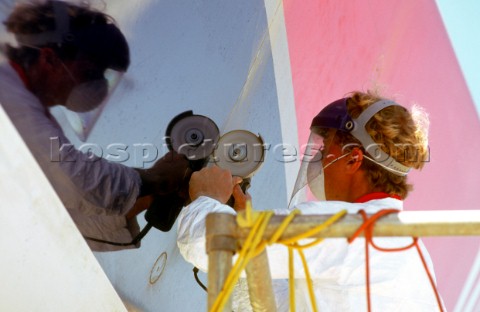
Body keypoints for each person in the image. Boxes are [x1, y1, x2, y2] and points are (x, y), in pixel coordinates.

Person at [177, 90, 443, 311]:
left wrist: (207, 198)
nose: (320, 160)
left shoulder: (347, 226)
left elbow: (209, 245)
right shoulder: (413, 257)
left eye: (326, 149)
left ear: (352, 158)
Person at [0, 0, 190, 251]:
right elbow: (71, 176)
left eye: (106, 78)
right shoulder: (8, 93)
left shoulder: (29, 109)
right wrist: (152, 180)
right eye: (91, 73)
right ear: (50, 59)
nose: (99, 87)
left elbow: (60, 219)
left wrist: (147, 197)